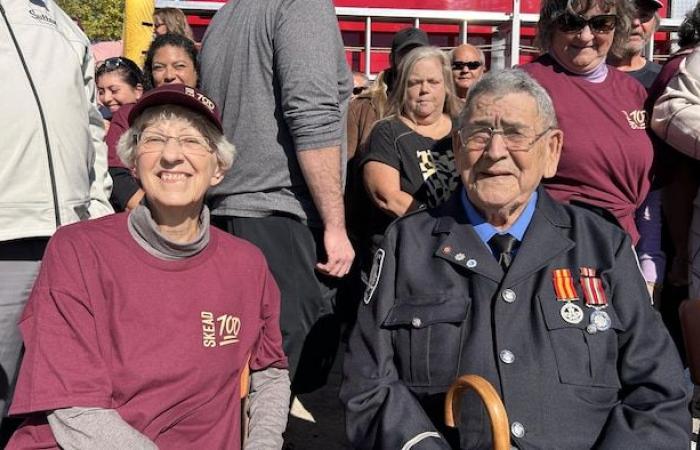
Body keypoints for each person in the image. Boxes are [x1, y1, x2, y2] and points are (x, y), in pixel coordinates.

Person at [340, 68, 690, 450]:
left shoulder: (602, 245)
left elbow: (660, 393)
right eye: (478, 134)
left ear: (551, 150)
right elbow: (368, 383)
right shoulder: (407, 243)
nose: (495, 152)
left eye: (515, 133)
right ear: (456, 149)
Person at [6, 84, 290, 449]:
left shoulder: (247, 264)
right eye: (154, 139)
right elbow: (73, 406)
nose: (171, 155)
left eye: (191, 141)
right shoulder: (78, 249)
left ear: (217, 167)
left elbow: (269, 370)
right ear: (133, 161)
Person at [200, 0, 354, 396]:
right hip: (280, 215)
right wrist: (336, 223)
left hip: (225, 212)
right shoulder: (300, 6)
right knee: (274, 375)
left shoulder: (226, 14)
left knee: (233, 370)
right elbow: (312, 111)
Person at [0, 0, 113, 439]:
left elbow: (92, 128)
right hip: (9, 233)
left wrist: (99, 211)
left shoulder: (68, 27)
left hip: (69, 237)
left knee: (56, 391)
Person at [521, 0, 662, 299]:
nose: (586, 36)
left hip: (625, 255)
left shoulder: (634, 92)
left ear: (617, 26)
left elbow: (651, 192)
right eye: (572, 23)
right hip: (556, 255)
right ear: (551, 26)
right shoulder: (525, 86)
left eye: (601, 24)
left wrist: (649, 266)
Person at [357, 46, 461, 265]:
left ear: (447, 87)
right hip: (405, 253)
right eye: (415, 83)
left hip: (460, 249)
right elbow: (388, 198)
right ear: (403, 88)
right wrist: (442, 228)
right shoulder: (387, 132)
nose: (424, 89)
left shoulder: (464, 130)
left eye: (433, 82)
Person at [106, 33, 200, 212]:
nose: (169, 75)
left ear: (196, 70)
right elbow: (118, 175)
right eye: (159, 67)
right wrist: (160, 217)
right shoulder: (130, 115)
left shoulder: (209, 117)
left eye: (179, 66)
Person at [347, 27, 430, 160]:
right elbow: (344, 166)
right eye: (405, 54)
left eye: (418, 54)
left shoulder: (439, 105)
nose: (411, 60)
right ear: (392, 59)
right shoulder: (362, 108)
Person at [607, 0, 663, 89]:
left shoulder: (664, 79)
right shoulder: (585, 76)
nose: (635, 22)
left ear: (655, 25)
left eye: (644, 15)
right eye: (627, 16)